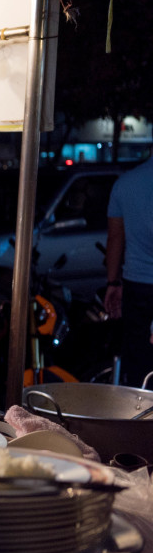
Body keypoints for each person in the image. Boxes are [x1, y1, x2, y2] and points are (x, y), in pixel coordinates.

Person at [104, 156, 153, 387]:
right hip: (138, 282)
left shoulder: (125, 183)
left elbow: (115, 237)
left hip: (136, 284)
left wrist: (113, 283)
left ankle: (141, 418)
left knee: (139, 362)